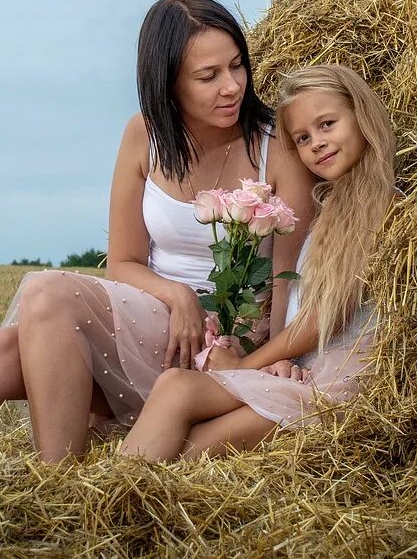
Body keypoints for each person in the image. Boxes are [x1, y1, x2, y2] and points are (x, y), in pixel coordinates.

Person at [0, 0, 315, 462]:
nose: (231, 86)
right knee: (14, 336)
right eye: (208, 76)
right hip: (159, 318)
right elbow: (122, 262)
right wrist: (177, 295)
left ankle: (55, 480)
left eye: (236, 66)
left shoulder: (274, 146)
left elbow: (289, 276)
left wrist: (279, 355)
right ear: (168, 84)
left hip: (234, 339)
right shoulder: (144, 135)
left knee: (34, 311)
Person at [118, 64, 400, 461]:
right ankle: (104, 502)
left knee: (190, 450)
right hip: (299, 370)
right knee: (174, 387)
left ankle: (115, 502)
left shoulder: (381, 207)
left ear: (363, 118)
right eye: (302, 138)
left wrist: (247, 365)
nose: (316, 143)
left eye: (328, 124)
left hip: (336, 385)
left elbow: (323, 319)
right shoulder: (328, 205)